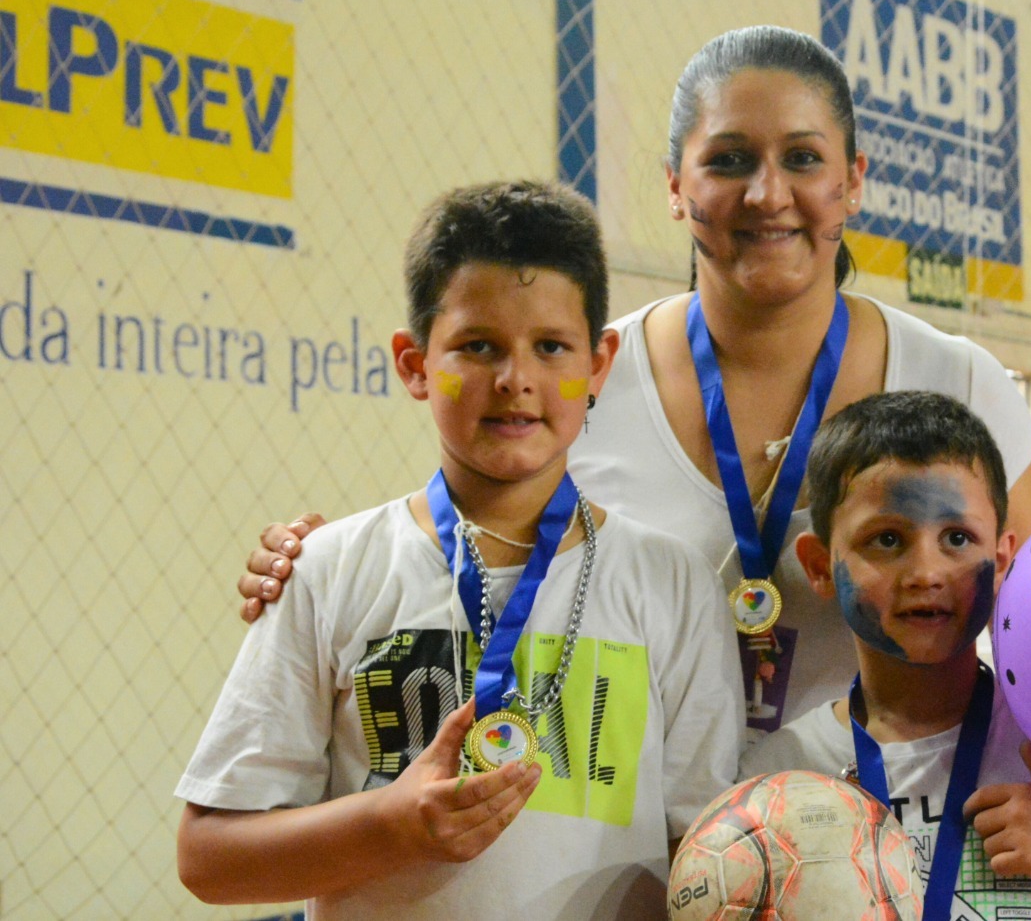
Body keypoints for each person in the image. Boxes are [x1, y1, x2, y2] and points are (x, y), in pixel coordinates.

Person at [233, 26, 1031, 840]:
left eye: (804, 158)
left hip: (886, 841)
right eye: (729, 159)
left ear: (853, 181)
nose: (767, 193)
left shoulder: (962, 382)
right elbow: (469, 538)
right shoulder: (578, 373)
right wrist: (310, 569)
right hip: (634, 848)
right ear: (675, 185)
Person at [175, 181, 742, 919]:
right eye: (478, 347)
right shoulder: (330, 570)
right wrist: (390, 825)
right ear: (414, 364)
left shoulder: (672, 582)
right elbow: (209, 857)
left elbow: (707, 855)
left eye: (551, 347)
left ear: (599, 363)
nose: (516, 379)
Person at [742, 391, 1031, 921]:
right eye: (886, 539)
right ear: (820, 566)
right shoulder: (781, 775)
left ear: (1001, 561)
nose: (926, 573)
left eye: (957, 537)